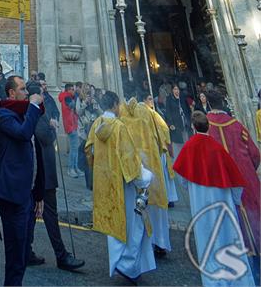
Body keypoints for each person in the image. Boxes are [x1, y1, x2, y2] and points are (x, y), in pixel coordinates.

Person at [174, 111, 255, 287]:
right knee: (229, 239)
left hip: (200, 205)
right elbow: (235, 181)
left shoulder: (188, 147)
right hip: (223, 204)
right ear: (209, 127)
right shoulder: (218, 148)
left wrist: (192, 188)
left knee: (207, 242)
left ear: (193, 127)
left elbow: (182, 178)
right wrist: (236, 200)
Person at [85, 90, 155, 284]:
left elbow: (89, 150)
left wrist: (99, 171)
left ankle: (118, 262)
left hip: (105, 185)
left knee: (113, 226)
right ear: (115, 104)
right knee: (132, 225)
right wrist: (144, 180)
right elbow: (129, 159)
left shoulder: (96, 125)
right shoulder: (118, 127)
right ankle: (128, 266)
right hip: (123, 186)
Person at [26, 81, 84, 273]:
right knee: (50, 213)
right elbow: (46, 136)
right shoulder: (36, 113)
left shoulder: (37, 111)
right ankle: (61, 255)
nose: (44, 96)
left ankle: (27, 251)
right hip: (43, 172)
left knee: (34, 213)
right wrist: (51, 126)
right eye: (42, 93)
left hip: (42, 171)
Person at [0, 75, 44, 287]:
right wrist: (33, 106)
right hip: (12, 195)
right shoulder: (5, 115)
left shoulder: (23, 114)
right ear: (11, 93)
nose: (26, 92)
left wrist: (37, 193)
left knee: (23, 252)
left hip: (26, 195)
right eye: (22, 89)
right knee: (15, 254)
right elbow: (24, 135)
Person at [206, 91, 260, 265]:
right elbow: (255, 153)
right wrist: (250, 169)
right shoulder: (237, 125)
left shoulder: (205, 127)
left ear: (208, 103)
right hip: (245, 178)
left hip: (221, 180)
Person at [120, 96, 171, 258]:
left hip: (137, 167)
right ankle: (160, 242)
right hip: (152, 164)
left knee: (140, 207)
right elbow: (162, 134)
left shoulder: (124, 119)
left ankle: (145, 244)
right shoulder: (148, 115)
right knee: (154, 207)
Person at [58, 82, 79, 177]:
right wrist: (78, 97)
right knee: (74, 149)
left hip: (72, 125)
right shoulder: (67, 97)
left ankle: (75, 167)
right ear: (68, 90)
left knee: (75, 148)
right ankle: (71, 169)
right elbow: (72, 106)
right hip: (70, 126)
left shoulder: (67, 96)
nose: (74, 91)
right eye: (73, 89)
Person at [165, 83, 190, 157]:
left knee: (187, 140)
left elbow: (187, 110)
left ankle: (188, 155)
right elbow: (168, 112)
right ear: (172, 90)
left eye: (178, 89)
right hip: (176, 123)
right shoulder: (169, 99)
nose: (177, 91)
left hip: (185, 122)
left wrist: (190, 121)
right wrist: (170, 123)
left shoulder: (182, 97)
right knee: (178, 143)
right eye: (175, 89)